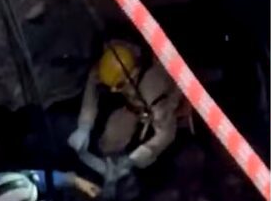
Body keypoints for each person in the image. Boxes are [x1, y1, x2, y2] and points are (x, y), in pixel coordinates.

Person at [67, 40, 188, 190]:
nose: (114, 91)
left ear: (134, 73)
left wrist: (134, 159)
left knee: (158, 151)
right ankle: (112, 170)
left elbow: (166, 133)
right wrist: (84, 126)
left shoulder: (151, 89)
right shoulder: (111, 62)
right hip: (134, 106)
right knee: (109, 142)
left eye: (120, 86)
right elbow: (93, 85)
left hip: (165, 106)